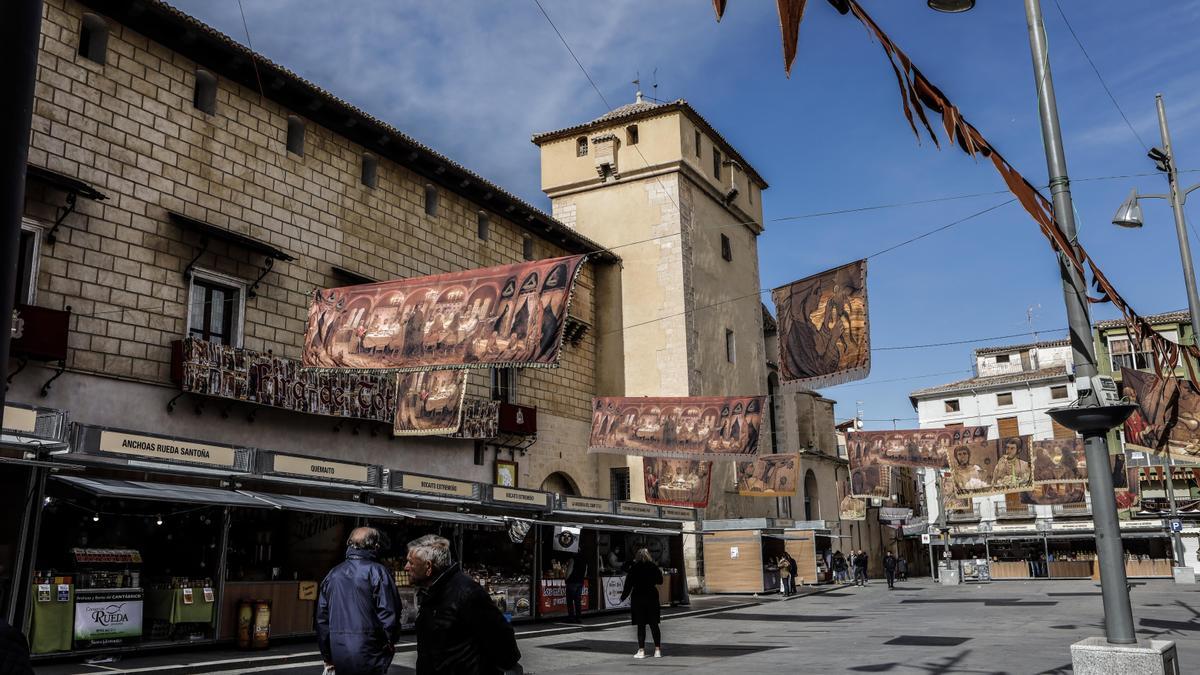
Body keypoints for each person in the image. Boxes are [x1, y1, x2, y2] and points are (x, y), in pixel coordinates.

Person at [406, 534, 521, 674]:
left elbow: (501, 638)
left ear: (428, 567)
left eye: (411, 563)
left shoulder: (468, 593)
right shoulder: (430, 592)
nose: (406, 567)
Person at [317, 527, 403, 675]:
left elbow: (322, 620)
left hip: (339, 650)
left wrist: (327, 655)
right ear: (376, 546)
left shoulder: (333, 574)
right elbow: (390, 613)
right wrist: (390, 642)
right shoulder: (378, 572)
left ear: (349, 544)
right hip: (370, 650)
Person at [621, 548, 664, 659]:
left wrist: (623, 597)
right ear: (648, 555)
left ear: (637, 556)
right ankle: (657, 650)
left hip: (638, 597)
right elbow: (660, 580)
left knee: (641, 625)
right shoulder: (653, 566)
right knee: (654, 624)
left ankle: (641, 651)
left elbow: (628, 584)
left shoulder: (634, 568)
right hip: (652, 596)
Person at [565, 554, 587, 624]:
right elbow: (585, 573)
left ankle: (571, 618)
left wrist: (566, 578)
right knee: (578, 601)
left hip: (572, 582)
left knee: (570, 601)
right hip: (580, 582)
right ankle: (578, 618)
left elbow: (569, 571)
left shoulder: (572, 559)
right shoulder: (584, 560)